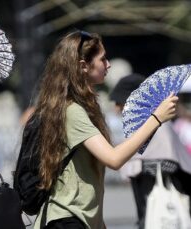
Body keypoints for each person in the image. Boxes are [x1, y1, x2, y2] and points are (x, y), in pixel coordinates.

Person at [30, 30, 178, 229]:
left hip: (83, 220)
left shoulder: (83, 108)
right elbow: (114, 159)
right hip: (66, 219)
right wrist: (156, 119)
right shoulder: (72, 111)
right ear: (83, 66)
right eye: (103, 59)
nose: (108, 65)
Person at [110, 73, 191, 229]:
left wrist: (139, 165)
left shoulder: (154, 124)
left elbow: (168, 164)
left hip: (162, 209)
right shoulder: (147, 123)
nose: (116, 109)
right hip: (151, 209)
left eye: (119, 102)